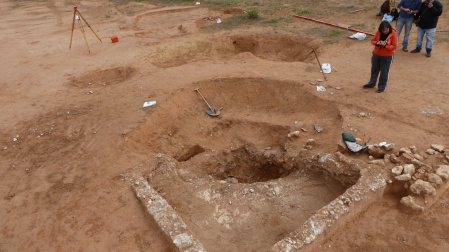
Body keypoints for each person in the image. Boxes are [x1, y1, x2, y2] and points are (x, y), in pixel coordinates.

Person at [363, 21, 398, 93]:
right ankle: (372, 83)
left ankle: (382, 87)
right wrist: (377, 43)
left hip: (387, 56)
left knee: (384, 72)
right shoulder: (378, 32)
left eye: (386, 30)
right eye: (383, 30)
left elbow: (394, 46)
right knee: (374, 70)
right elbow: (373, 41)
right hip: (376, 54)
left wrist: (385, 46)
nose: (384, 32)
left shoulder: (394, 35)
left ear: (389, 28)